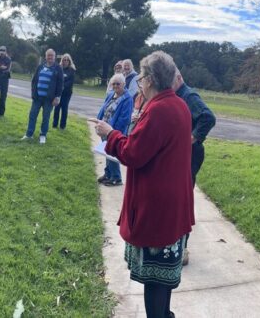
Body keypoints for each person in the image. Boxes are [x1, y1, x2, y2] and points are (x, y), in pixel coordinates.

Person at [92, 51, 194, 318]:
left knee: (154, 278)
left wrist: (110, 133)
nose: (139, 84)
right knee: (164, 277)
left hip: (157, 209)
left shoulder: (159, 110)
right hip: (173, 204)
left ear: (149, 80)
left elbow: (133, 154)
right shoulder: (179, 105)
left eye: (141, 79)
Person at [173, 68, 216, 267]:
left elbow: (208, 117)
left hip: (191, 154)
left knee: (182, 201)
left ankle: (182, 249)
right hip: (182, 155)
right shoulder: (176, 95)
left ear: (179, 78)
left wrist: (193, 137)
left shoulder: (188, 95)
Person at [96, 74, 133, 186]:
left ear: (123, 84)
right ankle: (108, 174)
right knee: (106, 151)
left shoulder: (127, 99)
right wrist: (98, 122)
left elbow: (125, 119)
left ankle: (116, 178)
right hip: (105, 128)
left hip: (114, 131)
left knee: (113, 154)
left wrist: (112, 132)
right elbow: (104, 108)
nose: (116, 86)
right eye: (114, 84)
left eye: (118, 84)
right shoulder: (111, 94)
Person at [22, 49, 63, 144]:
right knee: (32, 115)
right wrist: (33, 93)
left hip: (49, 99)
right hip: (37, 97)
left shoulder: (58, 68)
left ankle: (43, 135)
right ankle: (29, 134)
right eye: (48, 55)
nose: (50, 57)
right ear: (46, 56)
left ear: (54, 56)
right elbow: (34, 81)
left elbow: (60, 84)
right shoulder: (40, 67)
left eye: (52, 55)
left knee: (46, 118)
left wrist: (57, 97)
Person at [52, 53, 77, 130]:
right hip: (58, 93)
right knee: (57, 108)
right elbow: (56, 79)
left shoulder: (72, 70)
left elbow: (70, 82)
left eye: (67, 60)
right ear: (62, 61)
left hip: (67, 93)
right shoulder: (59, 69)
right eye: (64, 60)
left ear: (69, 61)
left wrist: (61, 87)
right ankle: (54, 125)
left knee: (64, 109)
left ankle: (62, 126)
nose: (65, 61)